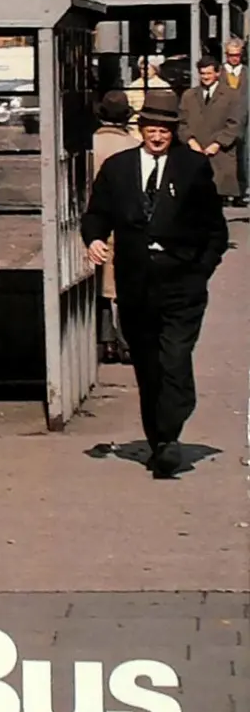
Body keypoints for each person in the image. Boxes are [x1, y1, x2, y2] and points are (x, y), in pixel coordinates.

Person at [81, 88, 229, 478]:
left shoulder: (192, 167)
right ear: (140, 128)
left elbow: (215, 229)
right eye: (151, 128)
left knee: (175, 359)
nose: (158, 135)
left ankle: (169, 435)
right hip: (135, 284)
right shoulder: (117, 167)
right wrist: (94, 239)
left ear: (173, 131)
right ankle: (160, 439)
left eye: (164, 129)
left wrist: (200, 270)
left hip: (182, 283)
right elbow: (97, 214)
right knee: (147, 364)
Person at [91, 89, 140, 363]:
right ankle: (126, 342)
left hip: (93, 221)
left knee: (98, 285)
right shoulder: (132, 147)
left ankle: (105, 341)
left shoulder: (89, 144)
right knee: (123, 286)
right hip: (123, 222)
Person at [179, 55, 243, 205]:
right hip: (194, 152)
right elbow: (182, 122)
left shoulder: (231, 95)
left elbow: (235, 123)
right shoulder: (189, 95)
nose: (205, 77)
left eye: (208, 73)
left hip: (220, 154)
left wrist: (217, 144)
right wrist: (190, 141)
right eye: (202, 73)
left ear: (217, 73)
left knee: (217, 199)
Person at [223, 39, 247, 204]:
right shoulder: (219, 73)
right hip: (224, 118)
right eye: (231, 55)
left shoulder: (247, 73)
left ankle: (241, 191)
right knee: (225, 156)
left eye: (237, 55)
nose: (234, 59)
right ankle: (225, 192)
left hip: (246, 121)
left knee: (244, 156)